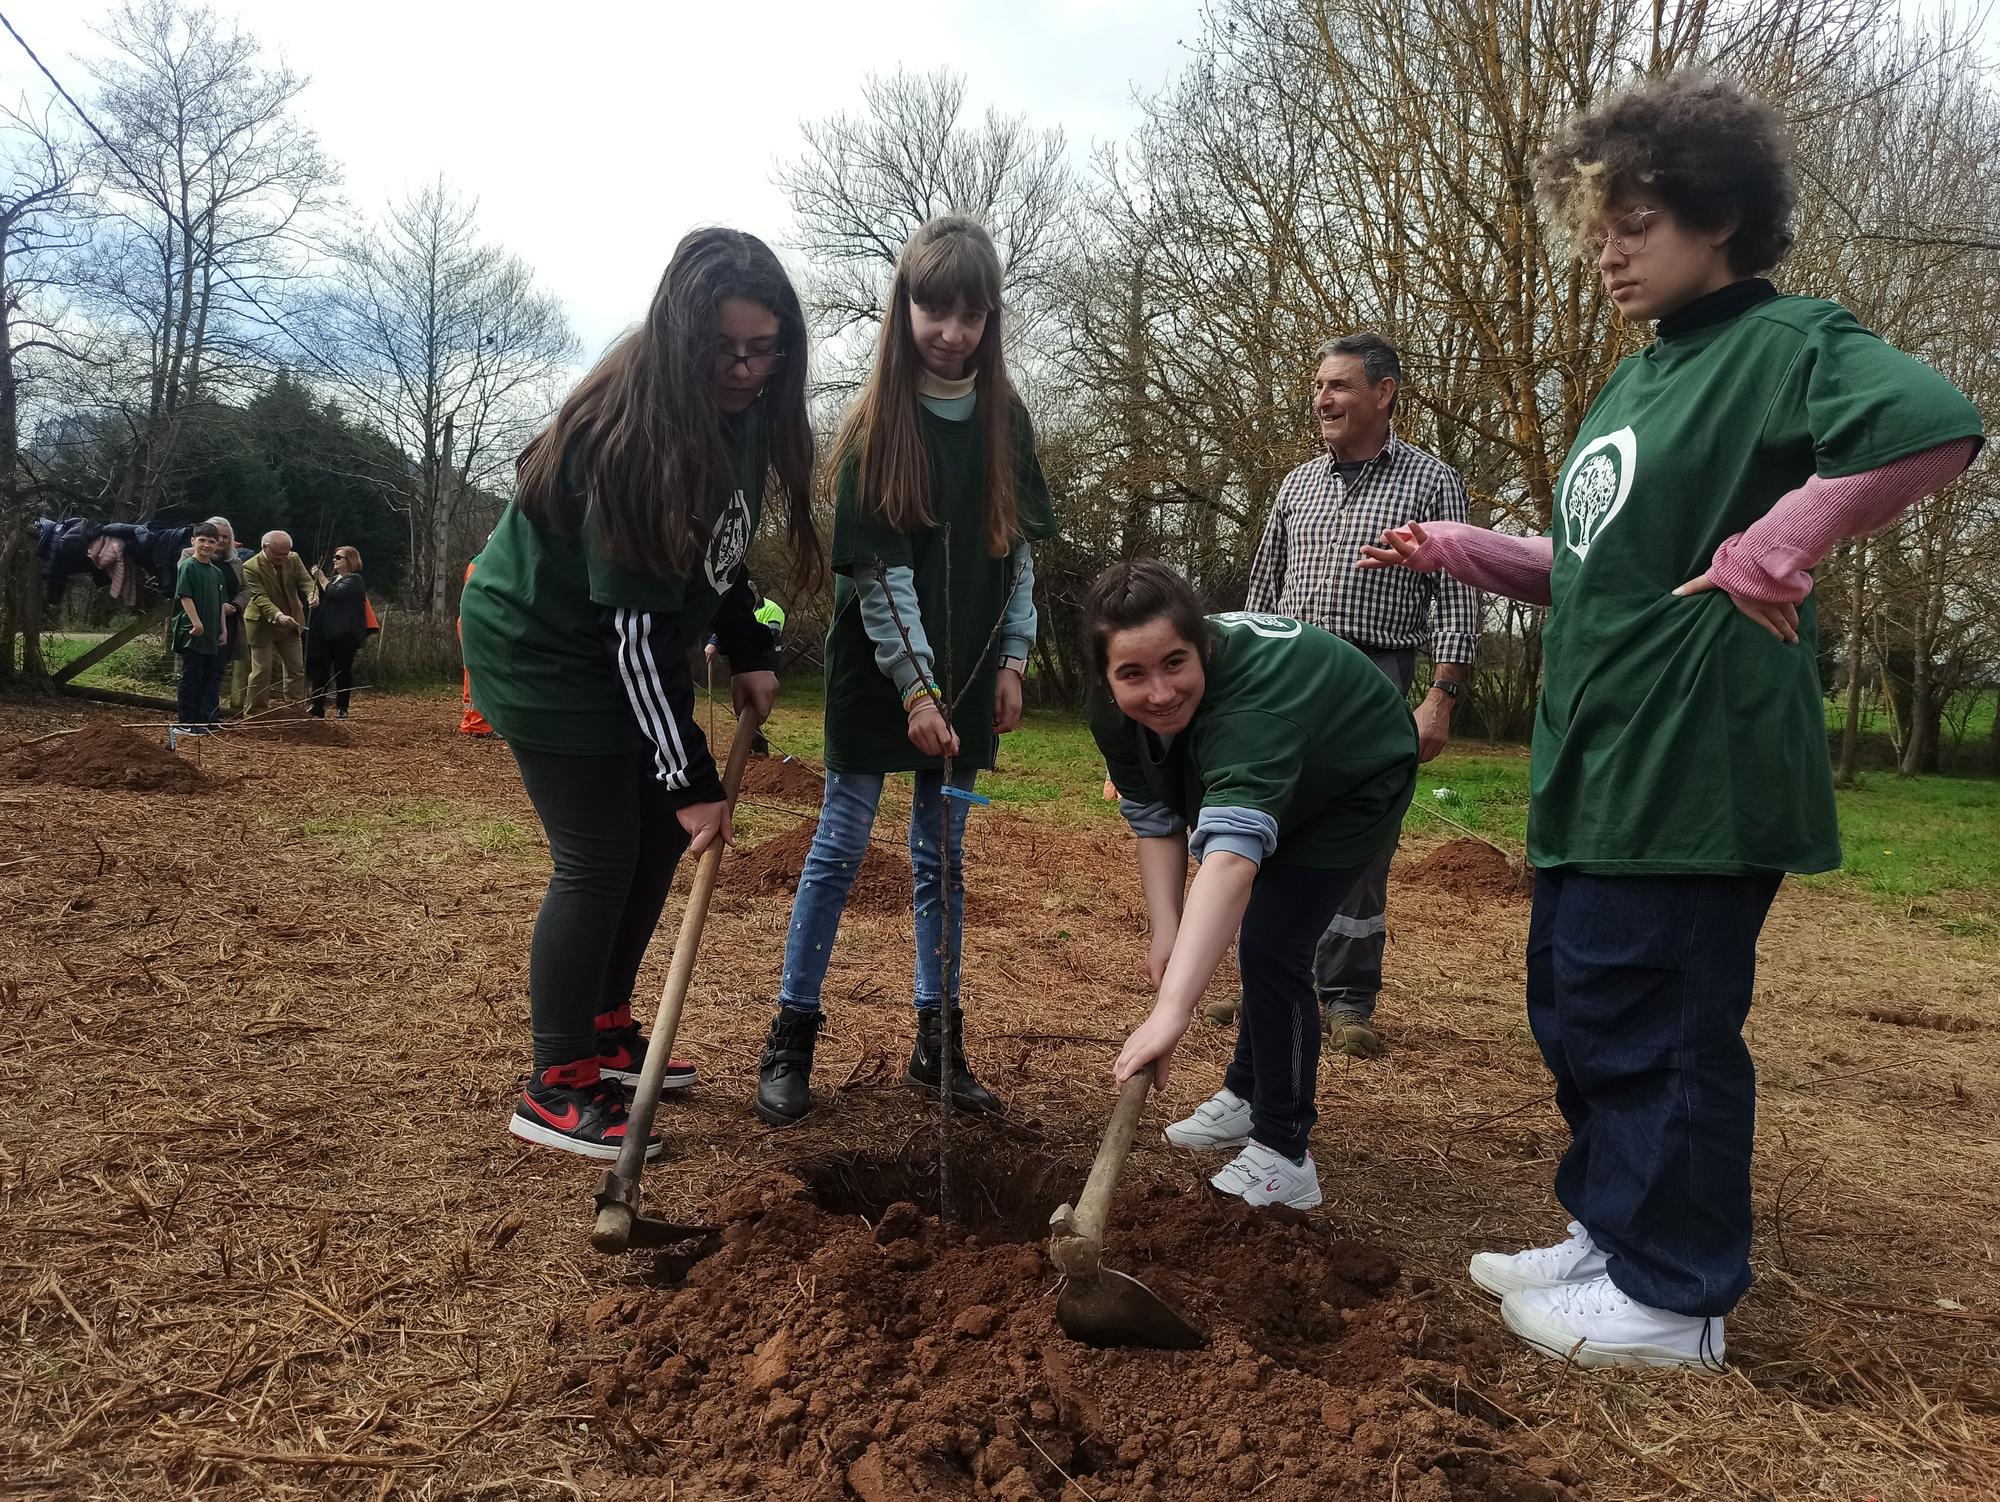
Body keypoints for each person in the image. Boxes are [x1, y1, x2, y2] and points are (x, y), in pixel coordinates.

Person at [1358, 72, 1981, 1368]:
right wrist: (1464, 548)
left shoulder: (1786, 340)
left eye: (1635, 217)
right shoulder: (1641, 381)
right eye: (1598, 222)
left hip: (1698, 761)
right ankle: (1608, 1233)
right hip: (1599, 761)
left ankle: (1675, 1293)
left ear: (1721, 214)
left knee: (1662, 1020)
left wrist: (1782, 539)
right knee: (1578, 1007)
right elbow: (1598, 563)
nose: (1609, 246)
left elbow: (1933, 425)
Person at [460, 227, 820, 1160]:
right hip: (548, 652)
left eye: (764, 347)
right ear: (678, 336)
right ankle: (557, 1079)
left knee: (654, 835)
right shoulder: (636, 438)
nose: (744, 369)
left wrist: (745, 642)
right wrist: (692, 777)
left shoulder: (738, 418)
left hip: (615, 644)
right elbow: (635, 639)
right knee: (598, 855)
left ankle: (609, 1024)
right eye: (723, 349)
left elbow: (717, 557)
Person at [752, 216, 1059, 1128]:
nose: (953, 332)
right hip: (881, 674)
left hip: (968, 672)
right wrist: (916, 688)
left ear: (990, 317)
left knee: (942, 857)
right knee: (841, 844)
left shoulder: (1008, 420)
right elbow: (880, 574)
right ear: (906, 307)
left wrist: (1011, 659)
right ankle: (792, 1032)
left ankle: (939, 1042)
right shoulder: (879, 423)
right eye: (935, 310)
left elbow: (1019, 556)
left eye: (971, 314)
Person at [1086, 561, 1419, 1208]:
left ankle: (1284, 1150)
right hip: (1284, 759)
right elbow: (1155, 816)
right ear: (1104, 675)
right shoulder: (1110, 709)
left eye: (1175, 663)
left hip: (1352, 775)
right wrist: (1168, 930)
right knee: (1248, 937)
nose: (1158, 692)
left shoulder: (1251, 712)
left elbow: (1232, 861)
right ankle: (1247, 1091)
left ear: (1203, 645)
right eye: (1132, 674)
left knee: (1272, 946)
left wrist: (1172, 1011)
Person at [1224, 332, 1479, 1059]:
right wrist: (1242, 680)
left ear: (1383, 392)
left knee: (1361, 841)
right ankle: (1267, 981)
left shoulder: (1433, 483)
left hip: (1377, 680)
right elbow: (1262, 590)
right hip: (1289, 678)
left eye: (1337, 386)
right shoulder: (1296, 485)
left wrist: (1442, 695)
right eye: (1318, 386)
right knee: (1272, 828)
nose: (1322, 400)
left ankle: (1348, 1002)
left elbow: (1457, 593)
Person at [242, 530, 317, 712]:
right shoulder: (250, 567)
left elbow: (305, 580)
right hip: (262, 625)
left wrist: (311, 593)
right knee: (262, 671)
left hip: (292, 624)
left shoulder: (293, 558)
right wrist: (278, 616)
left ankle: (295, 709)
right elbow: (260, 598)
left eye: (286, 554)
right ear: (264, 547)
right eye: (278, 555)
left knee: (296, 669)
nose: (283, 558)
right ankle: (255, 712)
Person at [171, 523, 229, 735]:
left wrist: (223, 629)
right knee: (191, 676)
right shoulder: (189, 566)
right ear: (193, 541)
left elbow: (221, 604)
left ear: (218, 545)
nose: (207, 545)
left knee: (206, 677)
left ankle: (201, 719)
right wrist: (196, 622)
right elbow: (185, 596)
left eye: (211, 541)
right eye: (202, 540)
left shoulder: (216, 572)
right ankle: (185, 720)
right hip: (192, 633)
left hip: (212, 635)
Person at [307, 546, 377, 719]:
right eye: (334, 557)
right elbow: (325, 598)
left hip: (347, 633)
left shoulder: (354, 580)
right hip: (327, 632)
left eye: (339, 557)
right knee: (320, 669)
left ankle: (342, 707)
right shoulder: (333, 579)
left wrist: (321, 578)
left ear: (350, 561)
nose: (335, 560)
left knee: (342, 669)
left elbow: (334, 592)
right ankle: (317, 705)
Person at [457, 557, 496, 738]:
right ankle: (479, 724)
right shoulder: (489, 562)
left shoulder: (477, 562)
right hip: (482, 620)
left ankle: (473, 722)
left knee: (472, 671)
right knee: (481, 671)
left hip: (472, 618)